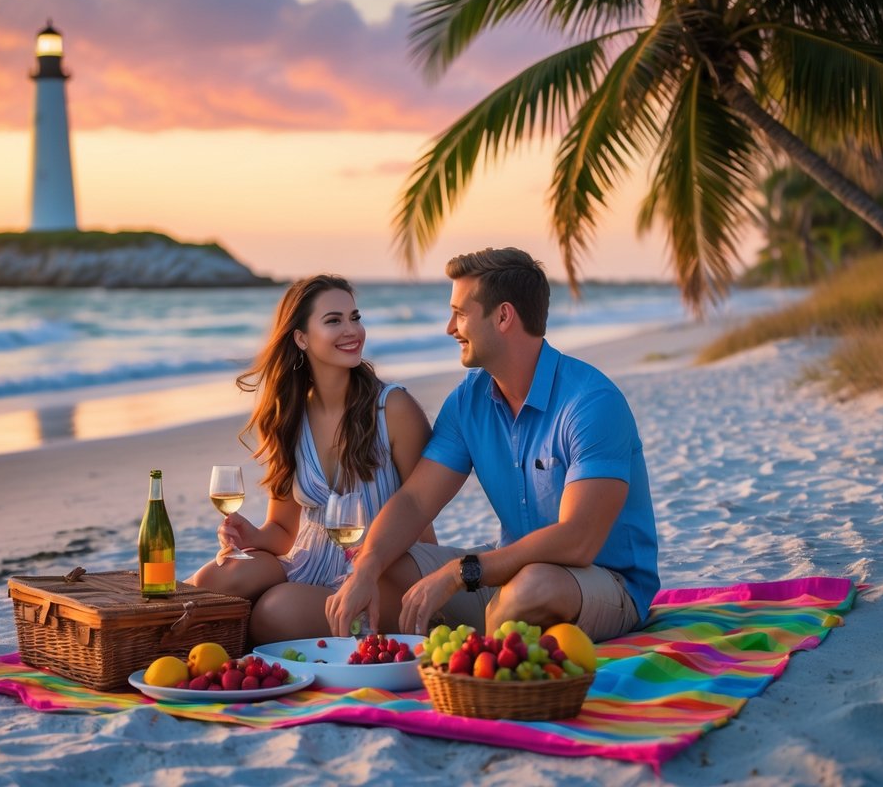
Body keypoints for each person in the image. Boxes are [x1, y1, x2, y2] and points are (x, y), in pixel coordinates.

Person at [325, 247, 659, 643]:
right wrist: (366, 566)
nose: (450, 328)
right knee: (388, 565)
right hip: (510, 569)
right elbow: (415, 501)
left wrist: (459, 573)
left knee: (533, 587)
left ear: (503, 316)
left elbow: (579, 540)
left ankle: (475, 646)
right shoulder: (469, 401)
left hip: (604, 582)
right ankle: (466, 643)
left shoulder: (590, 403)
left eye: (461, 314)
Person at [188, 275, 437, 643]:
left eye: (355, 317)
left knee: (274, 611)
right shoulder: (288, 418)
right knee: (216, 579)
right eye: (334, 320)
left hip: (380, 572)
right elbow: (284, 530)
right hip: (308, 563)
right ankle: (152, 632)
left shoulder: (394, 409)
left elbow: (422, 524)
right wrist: (250, 534)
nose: (352, 330)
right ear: (301, 338)